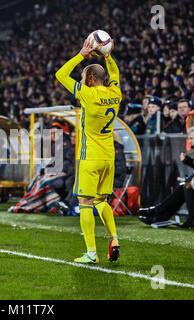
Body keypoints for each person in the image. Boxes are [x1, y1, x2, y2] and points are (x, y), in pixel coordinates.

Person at [55, 36, 121, 264]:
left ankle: (91, 253)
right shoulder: (115, 94)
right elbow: (115, 75)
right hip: (108, 157)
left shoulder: (87, 94)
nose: (81, 81)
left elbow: (60, 75)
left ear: (90, 79)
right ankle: (114, 238)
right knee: (102, 202)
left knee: (84, 203)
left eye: (83, 77)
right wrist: (108, 56)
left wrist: (81, 55)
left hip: (90, 158)